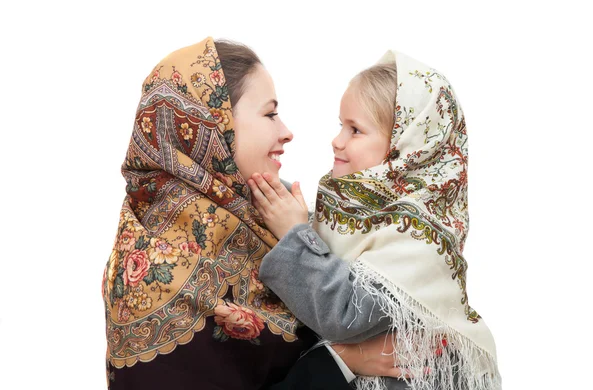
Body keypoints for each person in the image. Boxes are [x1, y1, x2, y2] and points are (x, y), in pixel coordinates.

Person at [101, 37, 402, 390]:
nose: (287, 132)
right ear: (212, 126)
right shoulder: (157, 271)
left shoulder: (272, 217)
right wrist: (340, 362)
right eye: (270, 113)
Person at [249, 51, 502, 389]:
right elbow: (327, 254)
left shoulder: (419, 235)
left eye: (355, 130)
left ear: (405, 151)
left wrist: (293, 233)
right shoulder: (355, 216)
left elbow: (345, 312)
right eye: (341, 125)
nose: (337, 141)